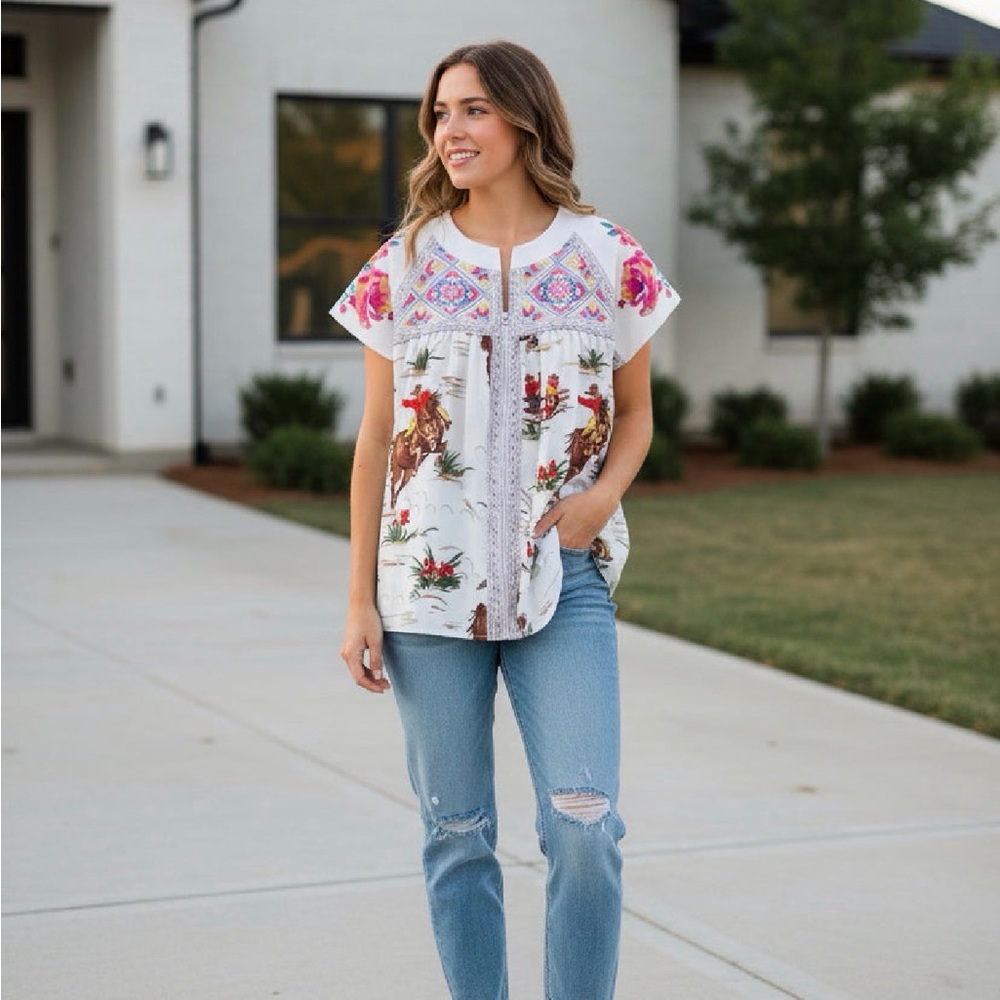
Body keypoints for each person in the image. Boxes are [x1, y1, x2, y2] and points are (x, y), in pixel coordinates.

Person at [333, 40, 680, 1000]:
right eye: (440, 112)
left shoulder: (608, 255)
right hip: (423, 588)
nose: (451, 129)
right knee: (455, 831)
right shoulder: (401, 264)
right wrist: (358, 599)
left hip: (563, 581)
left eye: (474, 109)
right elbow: (373, 445)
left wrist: (603, 498)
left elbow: (638, 411)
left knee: (584, 825)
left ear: (525, 120)